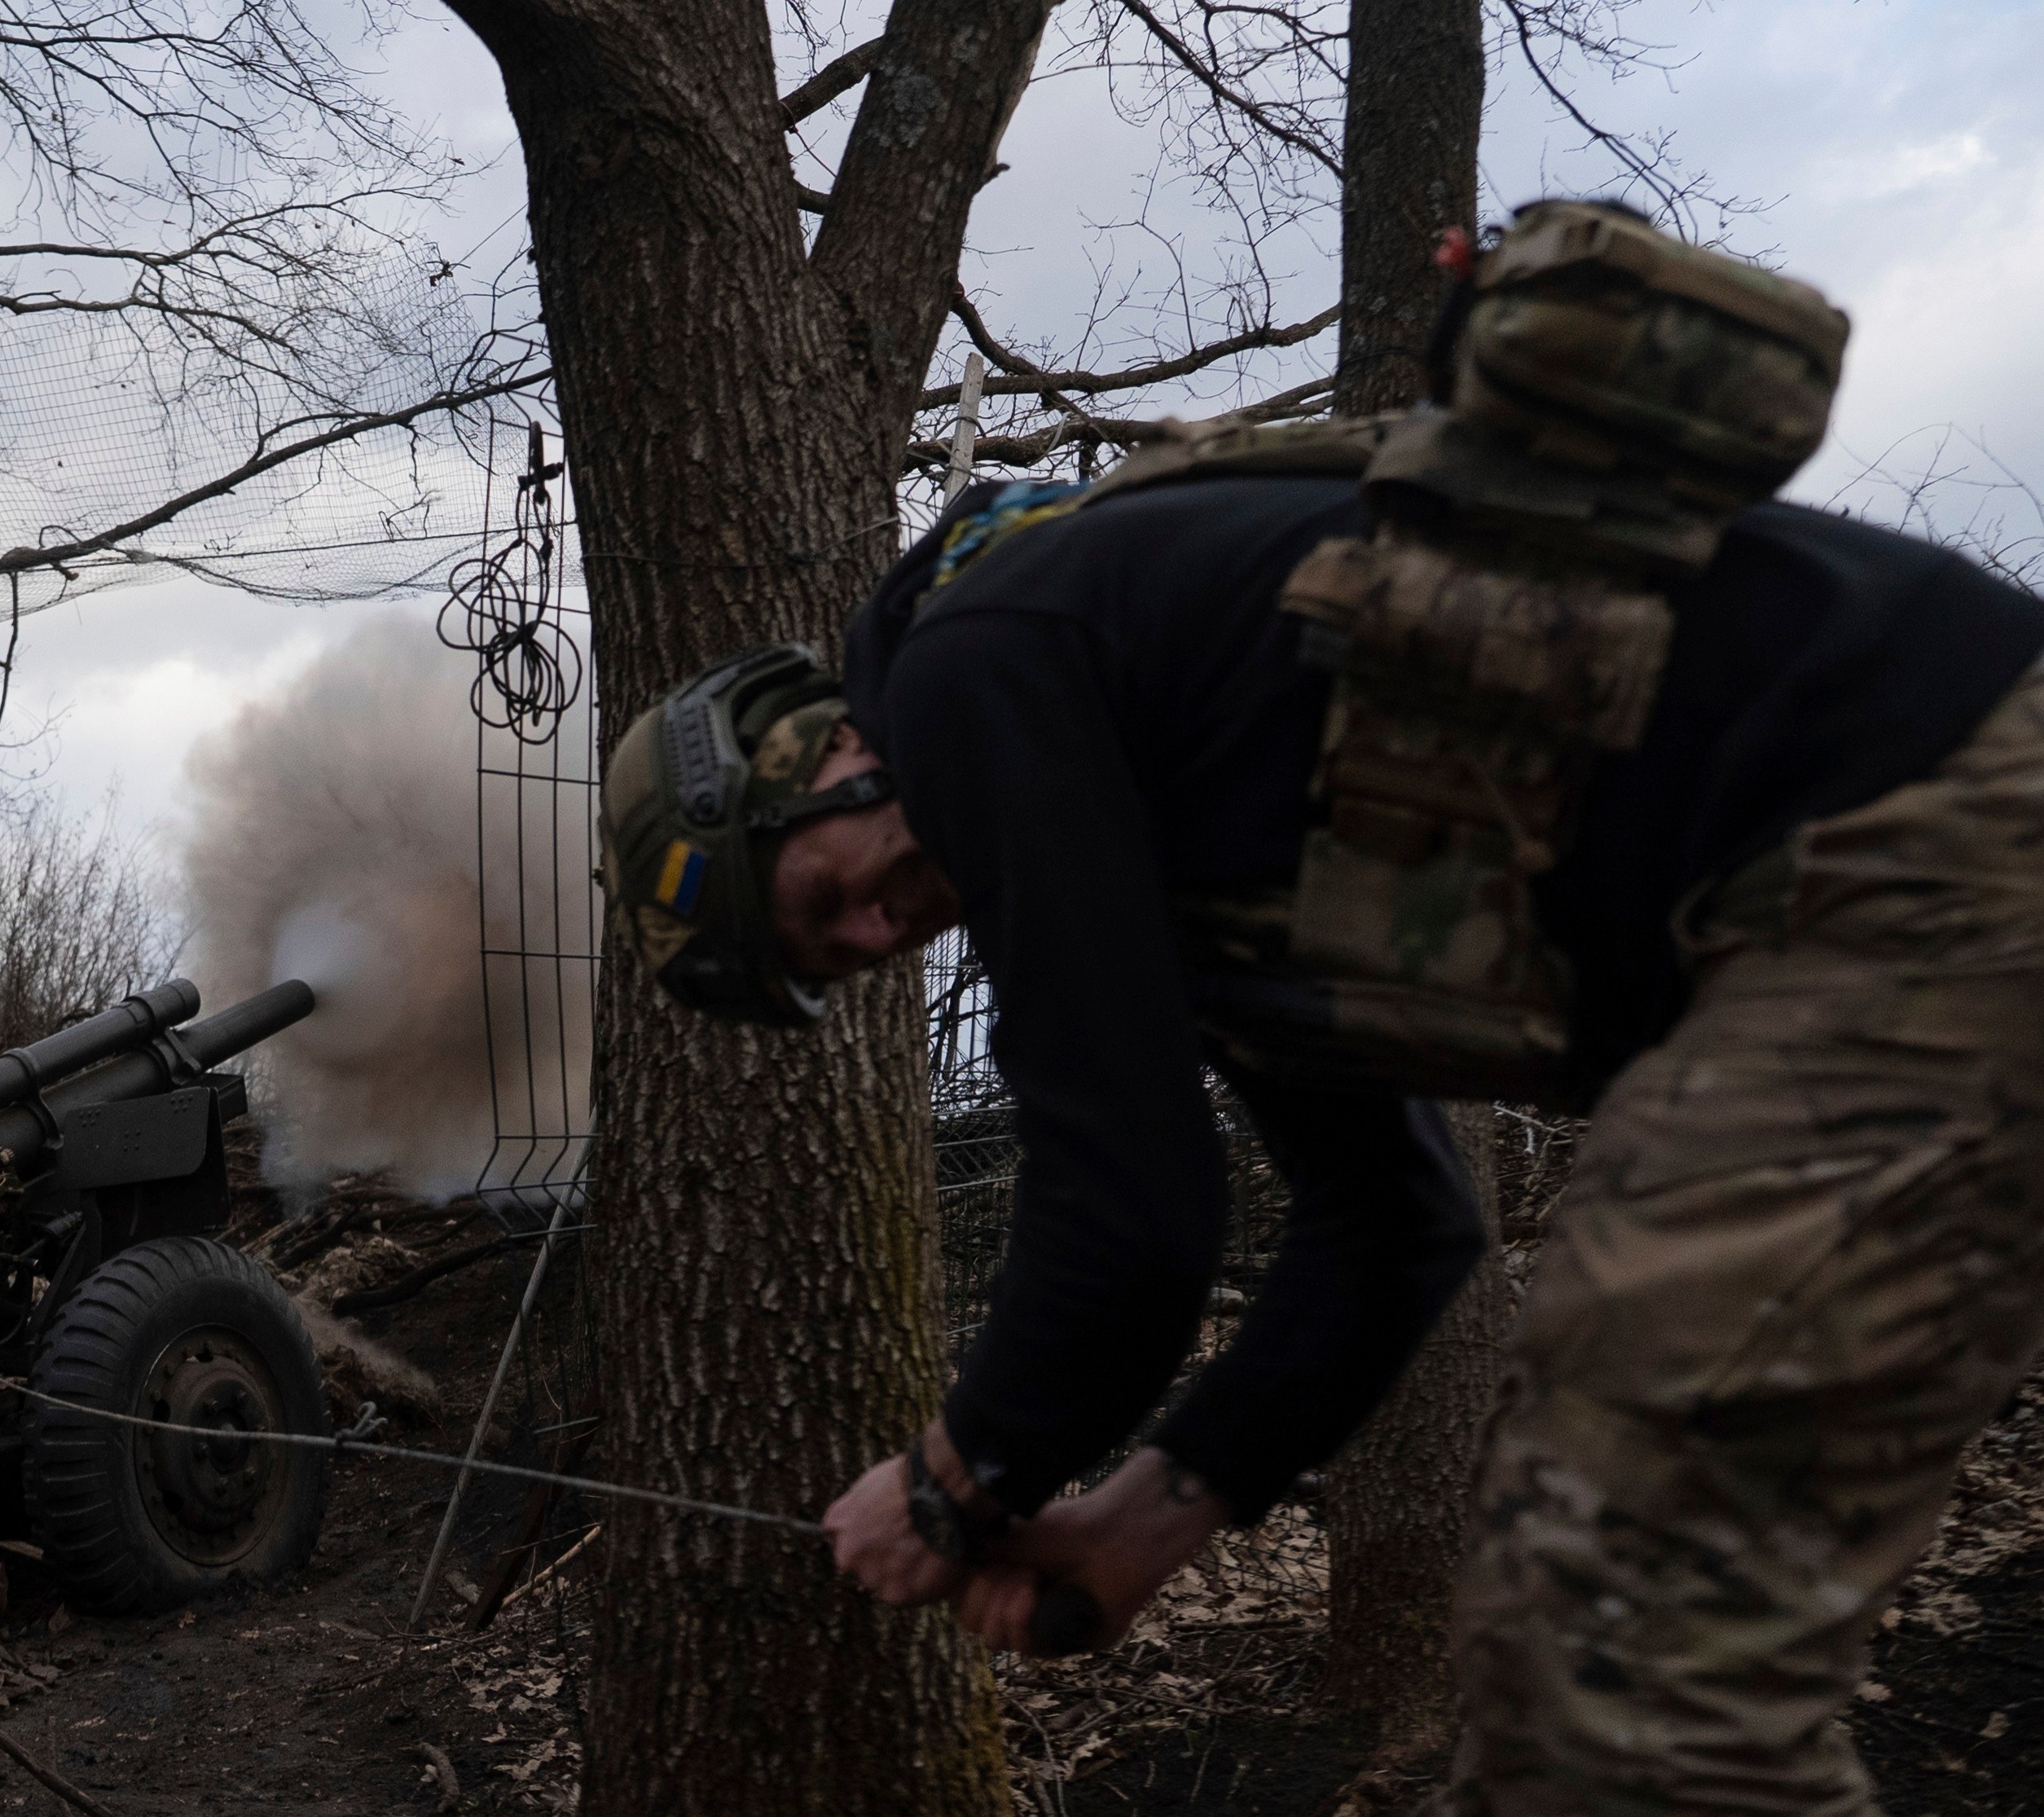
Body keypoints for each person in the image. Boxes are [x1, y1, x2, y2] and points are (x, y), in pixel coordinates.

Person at [596, 203, 2044, 1811]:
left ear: (818, 758)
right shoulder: (1180, 820)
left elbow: (1132, 1213)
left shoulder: (970, 667)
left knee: (1624, 1669)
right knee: (1594, 1659)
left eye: (825, 896)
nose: (879, 927)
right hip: (1908, 878)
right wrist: (1149, 1517)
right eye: (843, 958)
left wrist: (953, 1476)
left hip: (1922, 844)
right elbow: (1394, 1219)